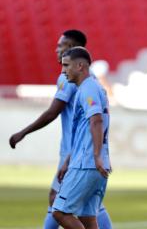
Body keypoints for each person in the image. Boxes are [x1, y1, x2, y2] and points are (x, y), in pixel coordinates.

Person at [8, 30, 112, 229]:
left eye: (61, 46)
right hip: (81, 155)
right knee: (88, 214)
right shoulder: (94, 85)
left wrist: (23, 132)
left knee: (59, 207)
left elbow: (91, 119)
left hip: (84, 157)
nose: (57, 51)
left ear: (75, 55)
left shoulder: (81, 84)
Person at [52, 47, 110, 229]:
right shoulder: (92, 88)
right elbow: (83, 131)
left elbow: (97, 120)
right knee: (88, 218)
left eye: (66, 65)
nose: (62, 70)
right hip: (91, 163)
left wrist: (96, 155)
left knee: (60, 211)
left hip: (86, 164)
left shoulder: (88, 88)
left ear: (80, 66)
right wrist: (68, 160)